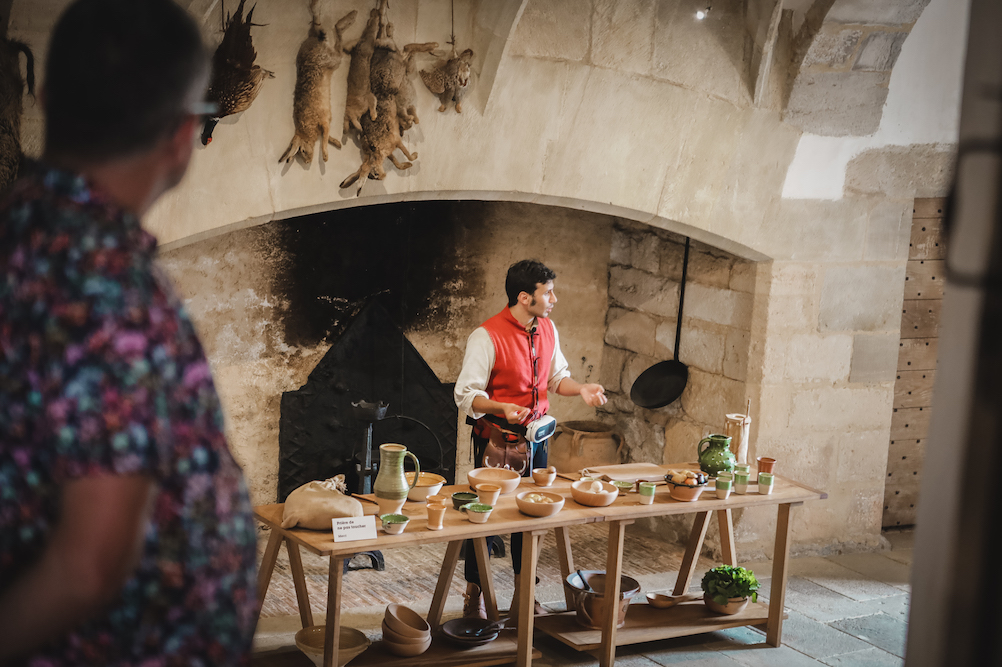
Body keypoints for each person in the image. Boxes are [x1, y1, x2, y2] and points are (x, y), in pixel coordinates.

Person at [0, 1, 258, 664]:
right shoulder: (105, 285)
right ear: (181, 135)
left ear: (48, 99)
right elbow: (92, 563)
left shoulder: (27, 225)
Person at [454, 259, 607, 619]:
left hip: (537, 441)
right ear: (525, 297)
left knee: (533, 515)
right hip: (496, 441)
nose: (554, 298)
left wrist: (581, 388)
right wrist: (500, 406)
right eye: (547, 292)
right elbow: (465, 395)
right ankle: (474, 594)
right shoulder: (486, 336)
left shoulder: (548, 329)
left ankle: (524, 597)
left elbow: (557, 379)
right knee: (485, 519)